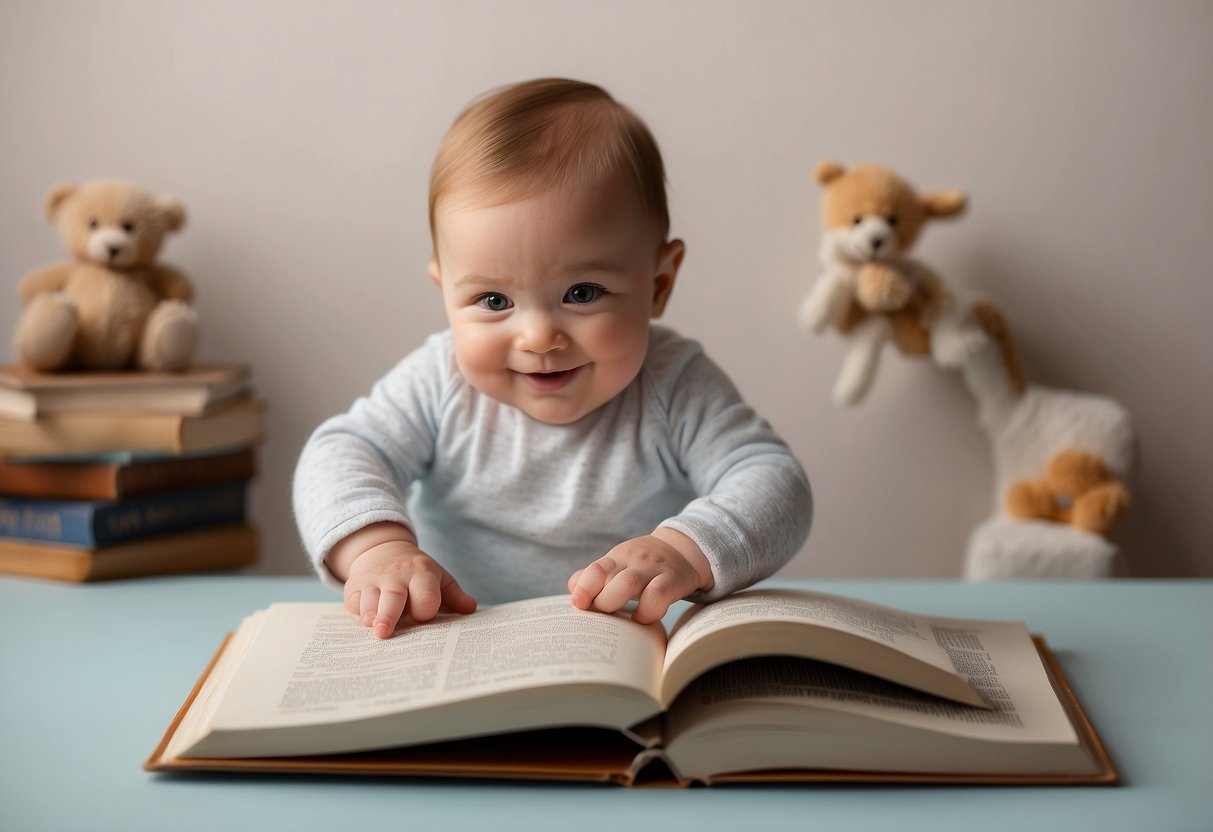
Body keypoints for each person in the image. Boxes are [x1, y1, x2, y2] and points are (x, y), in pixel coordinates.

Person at [293, 78, 812, 639]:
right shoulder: (439, 382)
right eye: (494, 301)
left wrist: (682, 550)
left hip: (618, 651)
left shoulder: (672, 384)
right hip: (456, 639)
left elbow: (773, 479)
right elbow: (342, 450)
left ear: (658, 283)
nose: (539, 337)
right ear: (444, 293)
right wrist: (377, 551)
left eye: (582, 293)